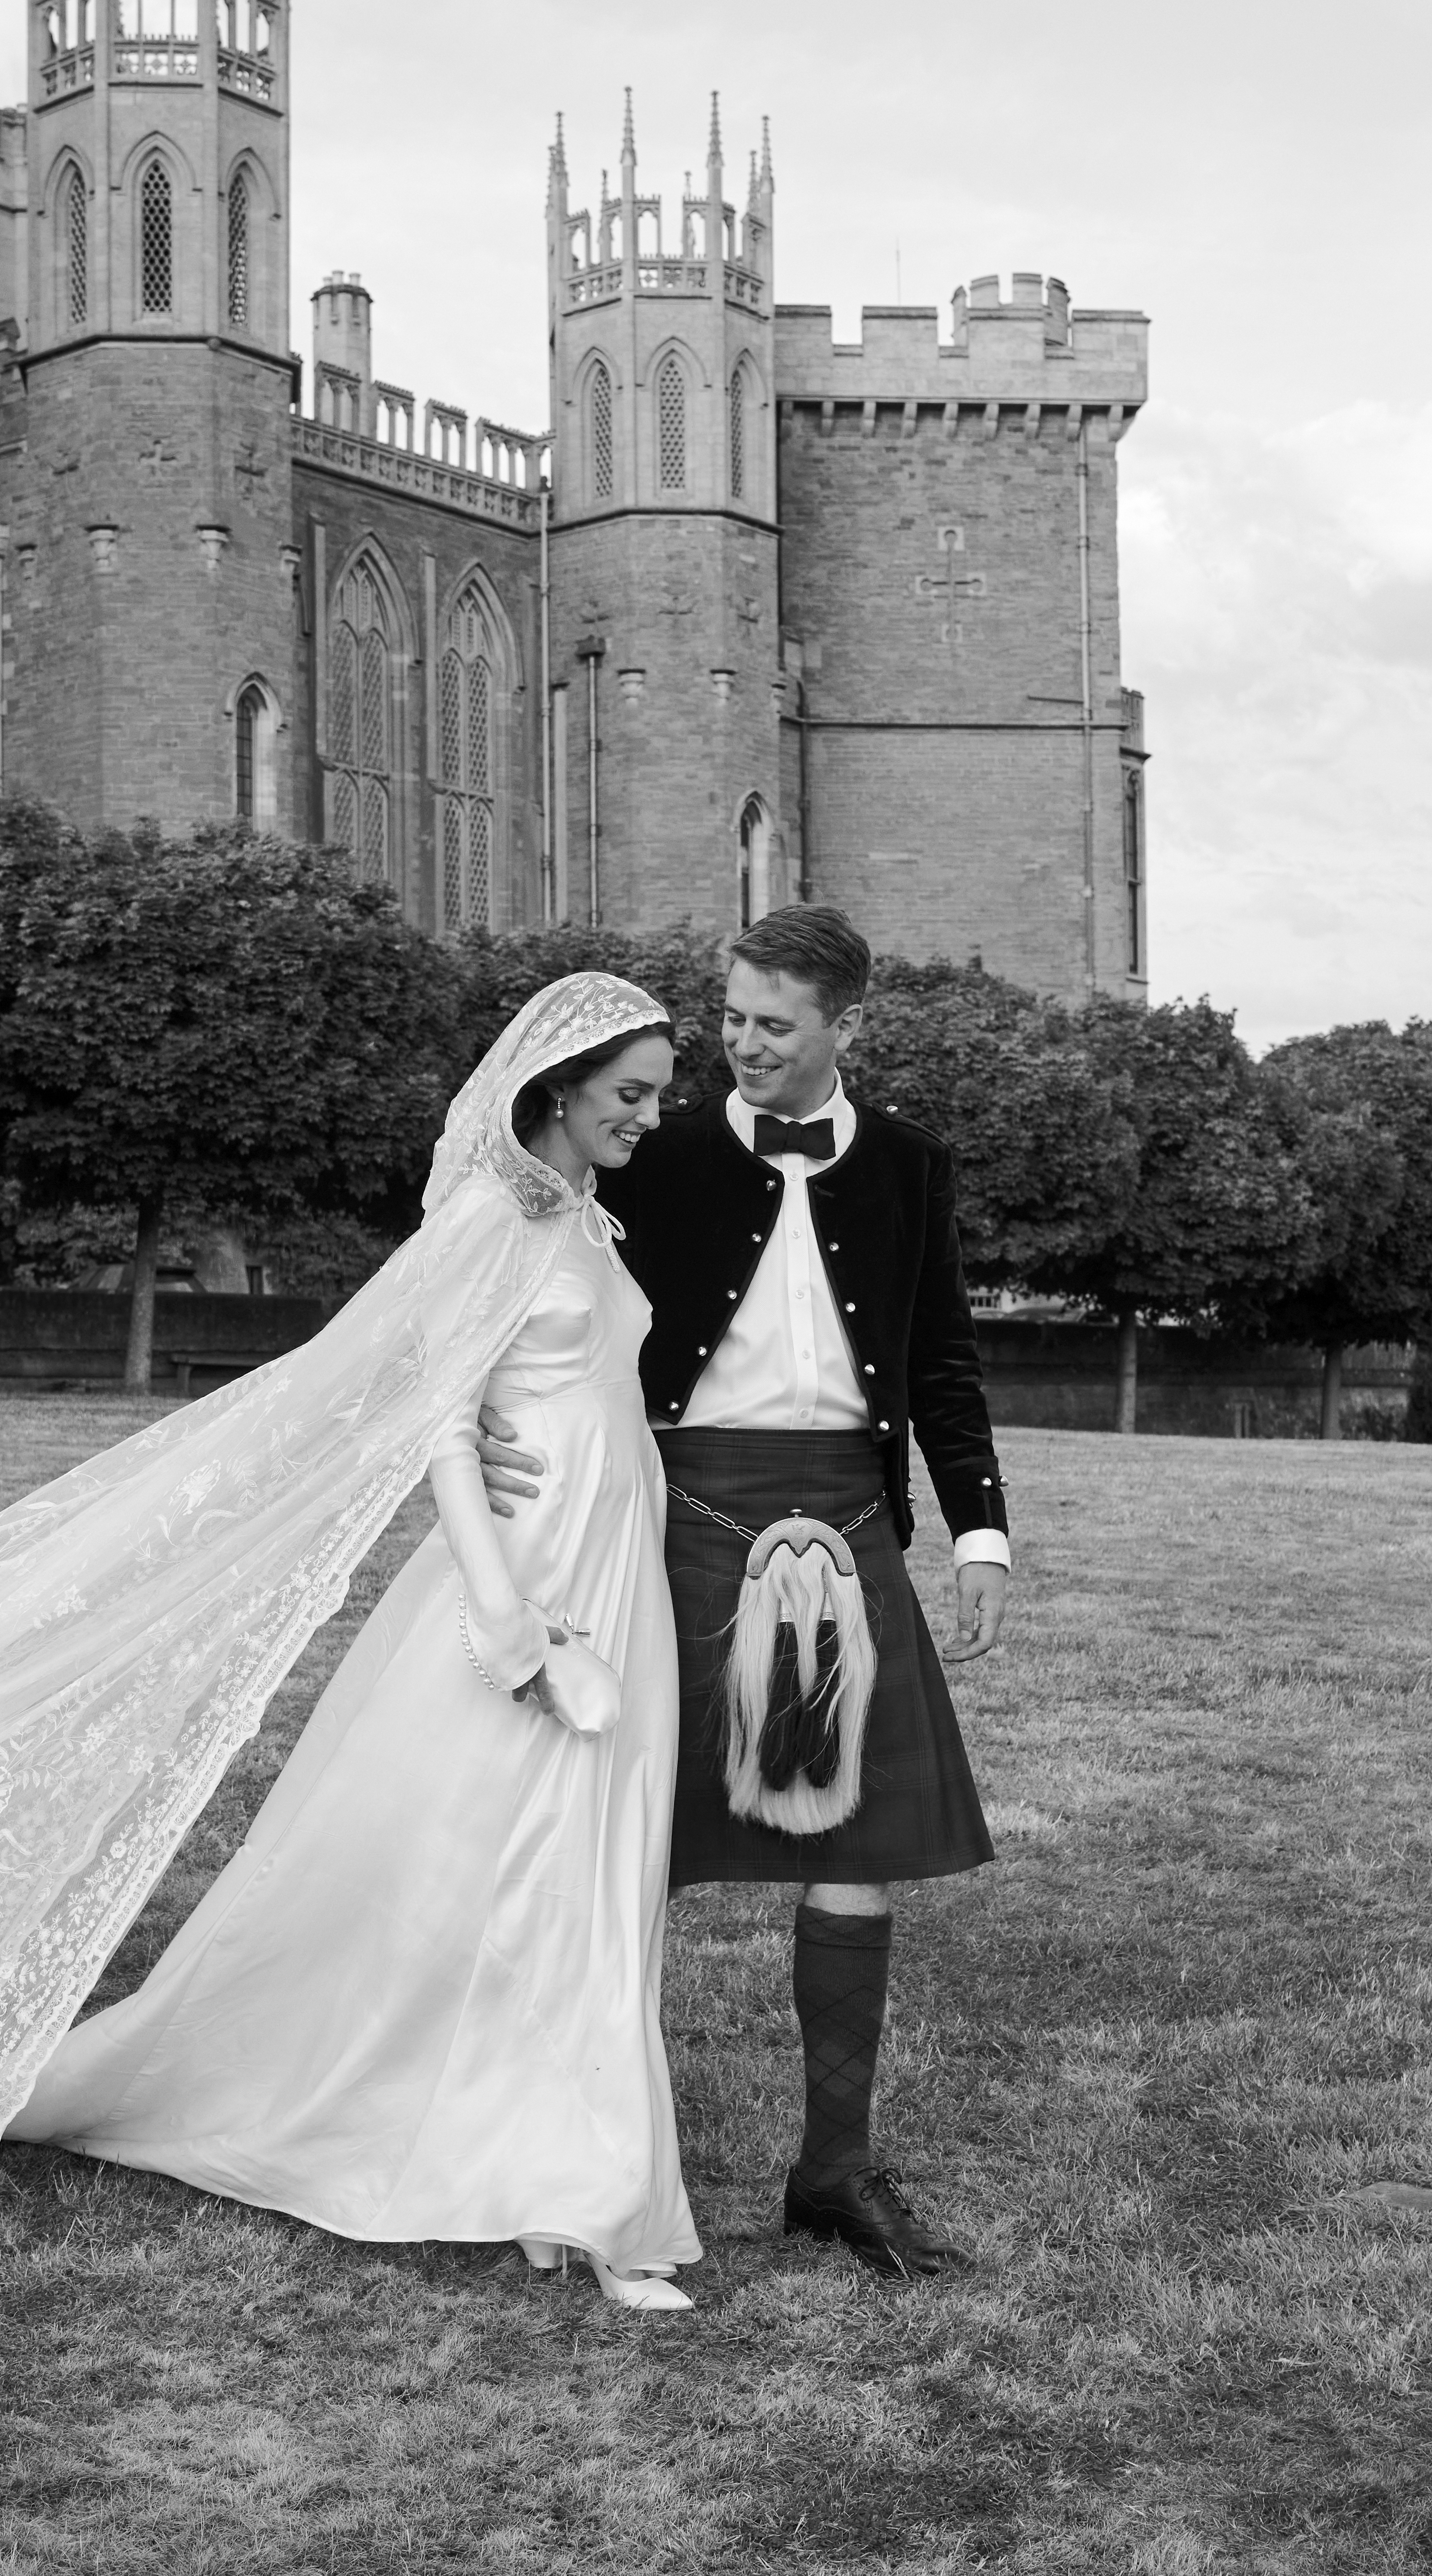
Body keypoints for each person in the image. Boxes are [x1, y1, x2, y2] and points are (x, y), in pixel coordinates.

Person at [0, 975, 699, 2307]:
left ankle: (553, 2162)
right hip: (529, 1575)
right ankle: (583, 2184)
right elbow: (439, 1416)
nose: (651, 1119)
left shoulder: (587, 1224)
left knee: (583, 1862)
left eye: (659, 1095)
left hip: (619, 1565)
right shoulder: (490, 1219)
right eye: (633, 1095)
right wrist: (504, 1614)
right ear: (555, 1090)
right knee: (485, 1859)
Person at [480, 906, 1009, 2279]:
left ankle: (834, 2174)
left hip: (851, 1517)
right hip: (676, 1519)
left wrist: (980, 1537)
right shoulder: (650, 1151)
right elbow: (522, 1267)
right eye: (733, 1020)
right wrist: (481, 1411)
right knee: (624, 1844)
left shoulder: (909, 1165)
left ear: (845, 1026)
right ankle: (576, 2153)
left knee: (860, 1849)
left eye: (775, 1024)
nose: (745, 1046)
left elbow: (943, 1358)